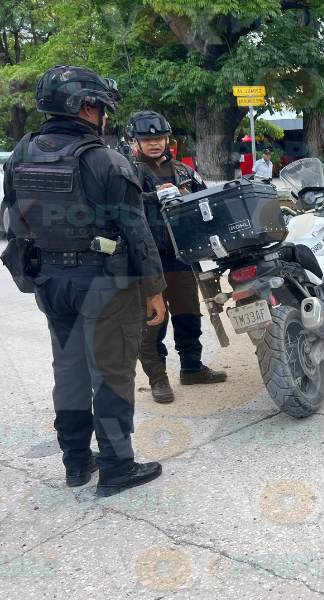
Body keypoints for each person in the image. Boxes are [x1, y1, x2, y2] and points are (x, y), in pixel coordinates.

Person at [1, 65, 167, 496]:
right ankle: (116, 467)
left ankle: (76, 462)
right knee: (111, 374)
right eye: (102, 107)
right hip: (104, 285)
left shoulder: (21, 153)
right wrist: (154, 290)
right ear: (87, 108)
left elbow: (12, 216)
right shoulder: (107, 162)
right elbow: (137, 232)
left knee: (70, 370)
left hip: (50, 282)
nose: (105, 115)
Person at [127, 110, 227, 403]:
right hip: (147, 258)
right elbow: (122, 205)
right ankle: (158, 379)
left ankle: (192, 368)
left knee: (188, 315)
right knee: (153, 320)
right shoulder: (129, 171)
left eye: (158, 138)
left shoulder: (185, 170)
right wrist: (154, 196)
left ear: (167, 138)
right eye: (147, 140)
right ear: (137, 142)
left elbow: (206, 201)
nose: (154, 144)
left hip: (182, 255)